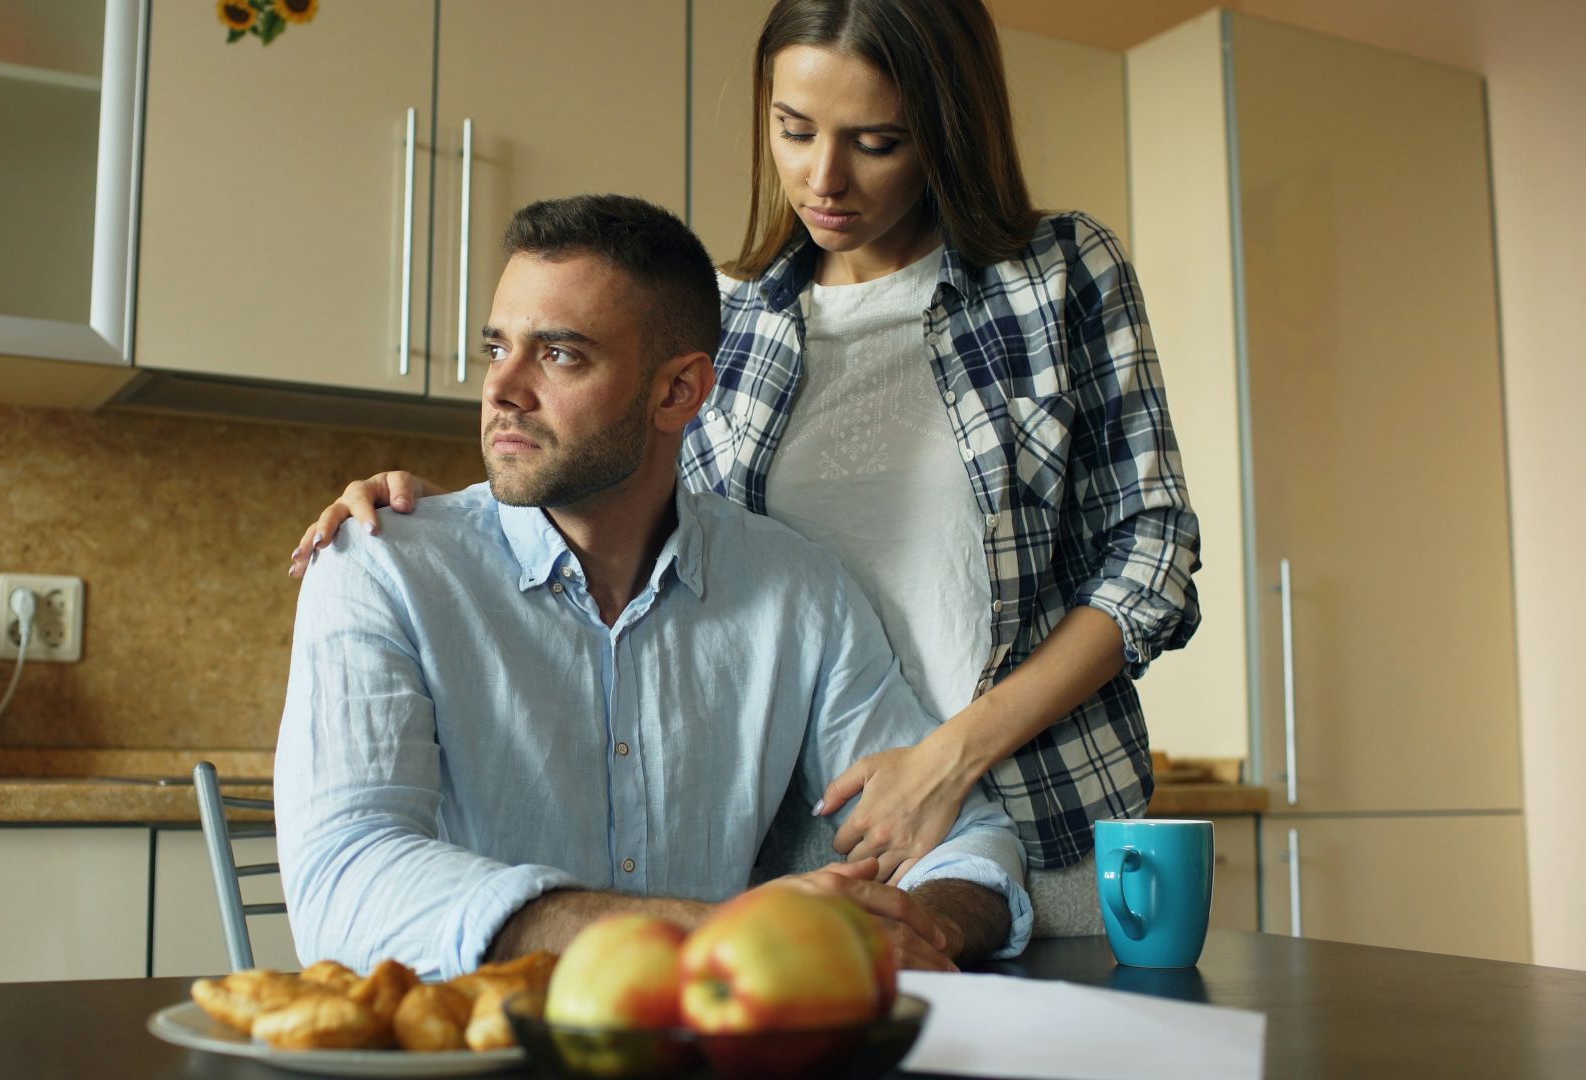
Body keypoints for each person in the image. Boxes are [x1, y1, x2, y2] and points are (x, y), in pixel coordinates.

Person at [289, 0, 1199, 934]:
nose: (823, 177)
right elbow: (637, 506)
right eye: (794, 130)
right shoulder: (741, 314)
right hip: (804, 835)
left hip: (1029, 814)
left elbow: (1154, 551)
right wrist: (444, 528)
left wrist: (949, 757)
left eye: (877, 141)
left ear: (946, 134)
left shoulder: (1056, 275)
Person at [275, 194, 1032, 980]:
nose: (503, 387)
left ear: (679, 392)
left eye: (560, 354)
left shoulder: (797, 592)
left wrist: (919, 928)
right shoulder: (378, 564)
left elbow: (970, 846)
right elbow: (343, 886)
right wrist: (711, 932)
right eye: (496, 347)